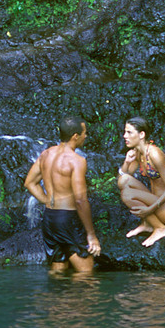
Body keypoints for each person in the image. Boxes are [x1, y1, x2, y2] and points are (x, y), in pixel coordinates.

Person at [23, 115, 102, 274]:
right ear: (75, 136)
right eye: (84, 133)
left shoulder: (46, 154)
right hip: (68, 219)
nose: (86, 136)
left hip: (49, 218)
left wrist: (47, 200)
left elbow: (29, 183)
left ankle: (54, 298)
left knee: (58, 269)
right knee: (86, 275)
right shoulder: (76, 160)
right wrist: (91, 235)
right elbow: (80, 200)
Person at [116, 117, 165, 247]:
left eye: (129, 132)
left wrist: (150, 209)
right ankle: (148, 224)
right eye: (125, 132)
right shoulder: (138, 153)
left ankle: (160, 228)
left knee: (127, 195)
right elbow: (122, 180)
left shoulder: (154, 154)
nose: (125, 136)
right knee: (124, 182)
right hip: (157, 202)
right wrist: (126, 162)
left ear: (141, 134)